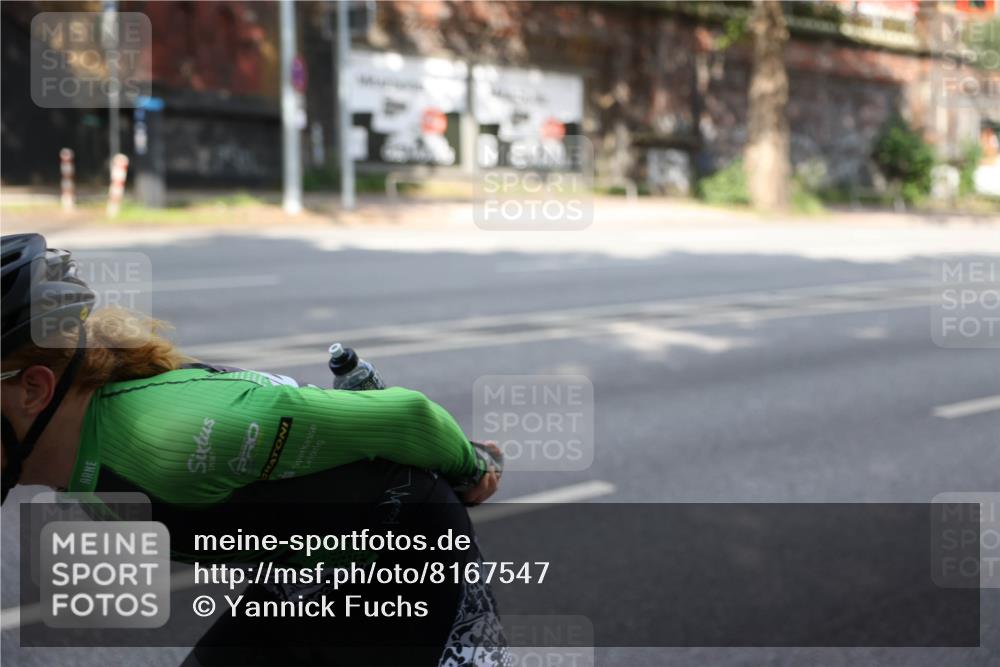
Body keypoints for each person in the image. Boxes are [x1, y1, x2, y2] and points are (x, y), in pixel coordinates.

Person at [1, 233, 506, 665]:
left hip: (406, 570)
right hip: (306, 576)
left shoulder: (171, 437)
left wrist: (472, 468)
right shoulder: (82, 453)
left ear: (35, 389)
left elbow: (406, 417)